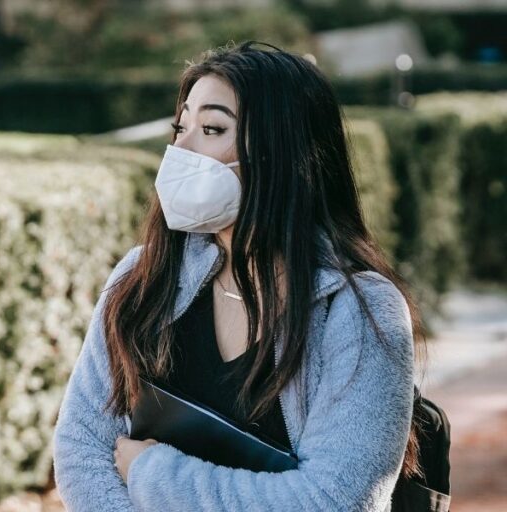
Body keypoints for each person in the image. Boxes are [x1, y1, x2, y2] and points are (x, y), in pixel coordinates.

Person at [53, 42, 422, 511]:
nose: (180, 149)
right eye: (180, 126)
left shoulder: (358, 310)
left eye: (212, 129)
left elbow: (335, 500)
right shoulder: (143, 277)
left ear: (281, 152)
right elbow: (82, 448)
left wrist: (153, 472)